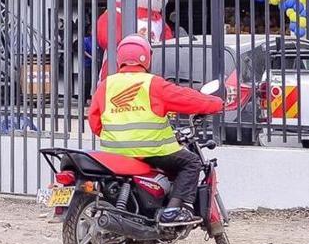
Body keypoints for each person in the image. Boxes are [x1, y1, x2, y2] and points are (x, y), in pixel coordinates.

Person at [87, 34, 222, 225]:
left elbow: (94, 122)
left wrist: (118, 136)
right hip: (152, 151)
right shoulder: (153, 84)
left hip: (114, 154)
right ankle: (173, 210)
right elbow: (187, 99)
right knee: (191, 163)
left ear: (119, 58)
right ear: (147, 58)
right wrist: (217, 103)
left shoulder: (105, 85)